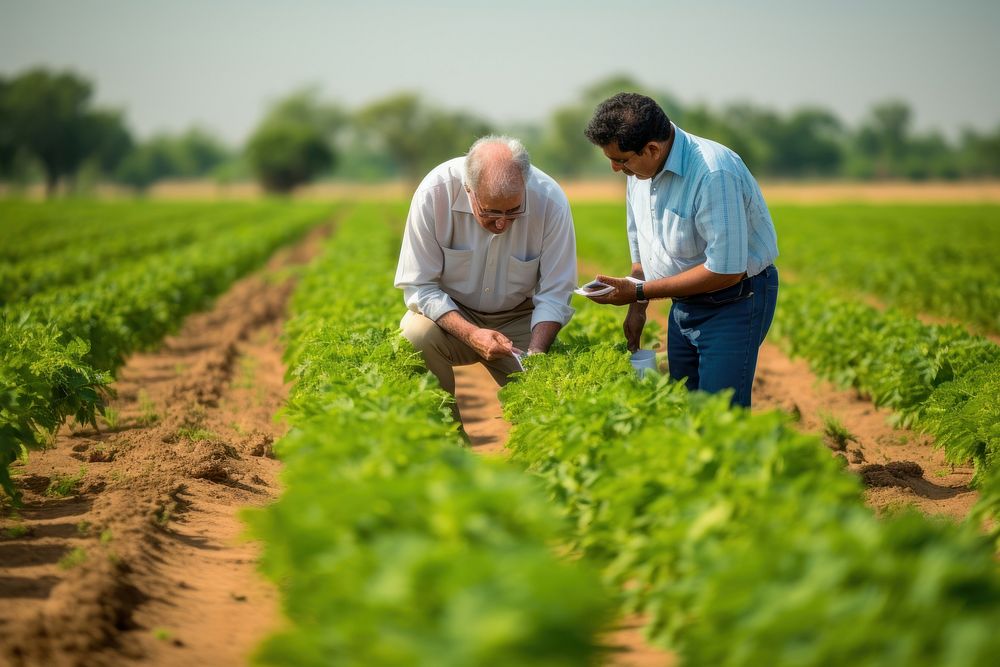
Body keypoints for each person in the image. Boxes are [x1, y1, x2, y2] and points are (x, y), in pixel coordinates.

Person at [582, 92, 779, 408]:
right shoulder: (640, 172)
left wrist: (640, 294)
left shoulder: (713, 172)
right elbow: (641, 241)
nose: (616, 169)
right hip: (684, 303)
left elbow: (726, 270)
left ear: (652, 149)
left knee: (719, 412)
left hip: (735, 300)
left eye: (620, 160)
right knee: (684, 406)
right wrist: (637, 306)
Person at [394, 135, 577, 410]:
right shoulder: (435, 192)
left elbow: (556, 292)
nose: (502, 223)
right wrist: (470, 333)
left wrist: (536, 355)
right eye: (490, 212)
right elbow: (421, 286)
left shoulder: (550, 201)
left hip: (519, 317)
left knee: (551, 394)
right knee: (415, 336)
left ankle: (538, 446)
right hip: (452, 316)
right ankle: (446, 438)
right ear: (469, 189)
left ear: (524, 186)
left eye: (514, 211)